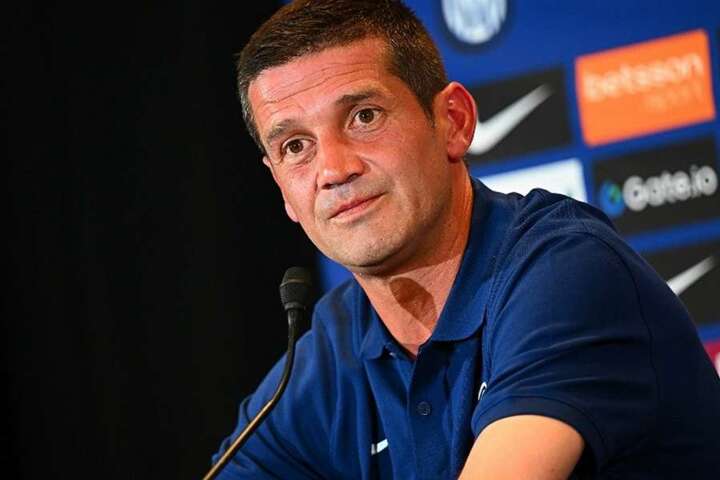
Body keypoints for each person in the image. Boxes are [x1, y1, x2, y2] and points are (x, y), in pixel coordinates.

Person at [213, 0, 720, 478]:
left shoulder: (566, 273)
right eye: (295, 146)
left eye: (364, 116)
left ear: (453, 121)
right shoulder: (334, 345)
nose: (332, 170)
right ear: (280, 185)